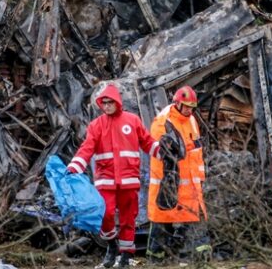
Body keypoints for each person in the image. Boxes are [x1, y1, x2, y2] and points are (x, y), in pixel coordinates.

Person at [66, 84, 160, 268]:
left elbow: (147, 142)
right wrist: (75, 165)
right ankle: (111, 245)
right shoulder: (96, 125)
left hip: (129, 179)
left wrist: (163, 152)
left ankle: (125, 255)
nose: (107, 106)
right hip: (106, 180)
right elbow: (87, 148)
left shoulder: (132, 121)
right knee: (105, 214)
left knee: (128, 219)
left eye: (110, 102)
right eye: (104, 102)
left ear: (117, 102)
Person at [146, 85, 212, 265]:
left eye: (192, 106)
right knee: (162, 219)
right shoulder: (164, 122)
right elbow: (163, 152)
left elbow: (195, 149)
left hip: (190, 181)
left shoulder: (190, 119)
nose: (190, 110)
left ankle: (198, 257)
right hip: (169, 182)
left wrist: (200, 178)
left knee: (193, 217)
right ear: (177, 103)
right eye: (187, 106)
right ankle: (155, 259)